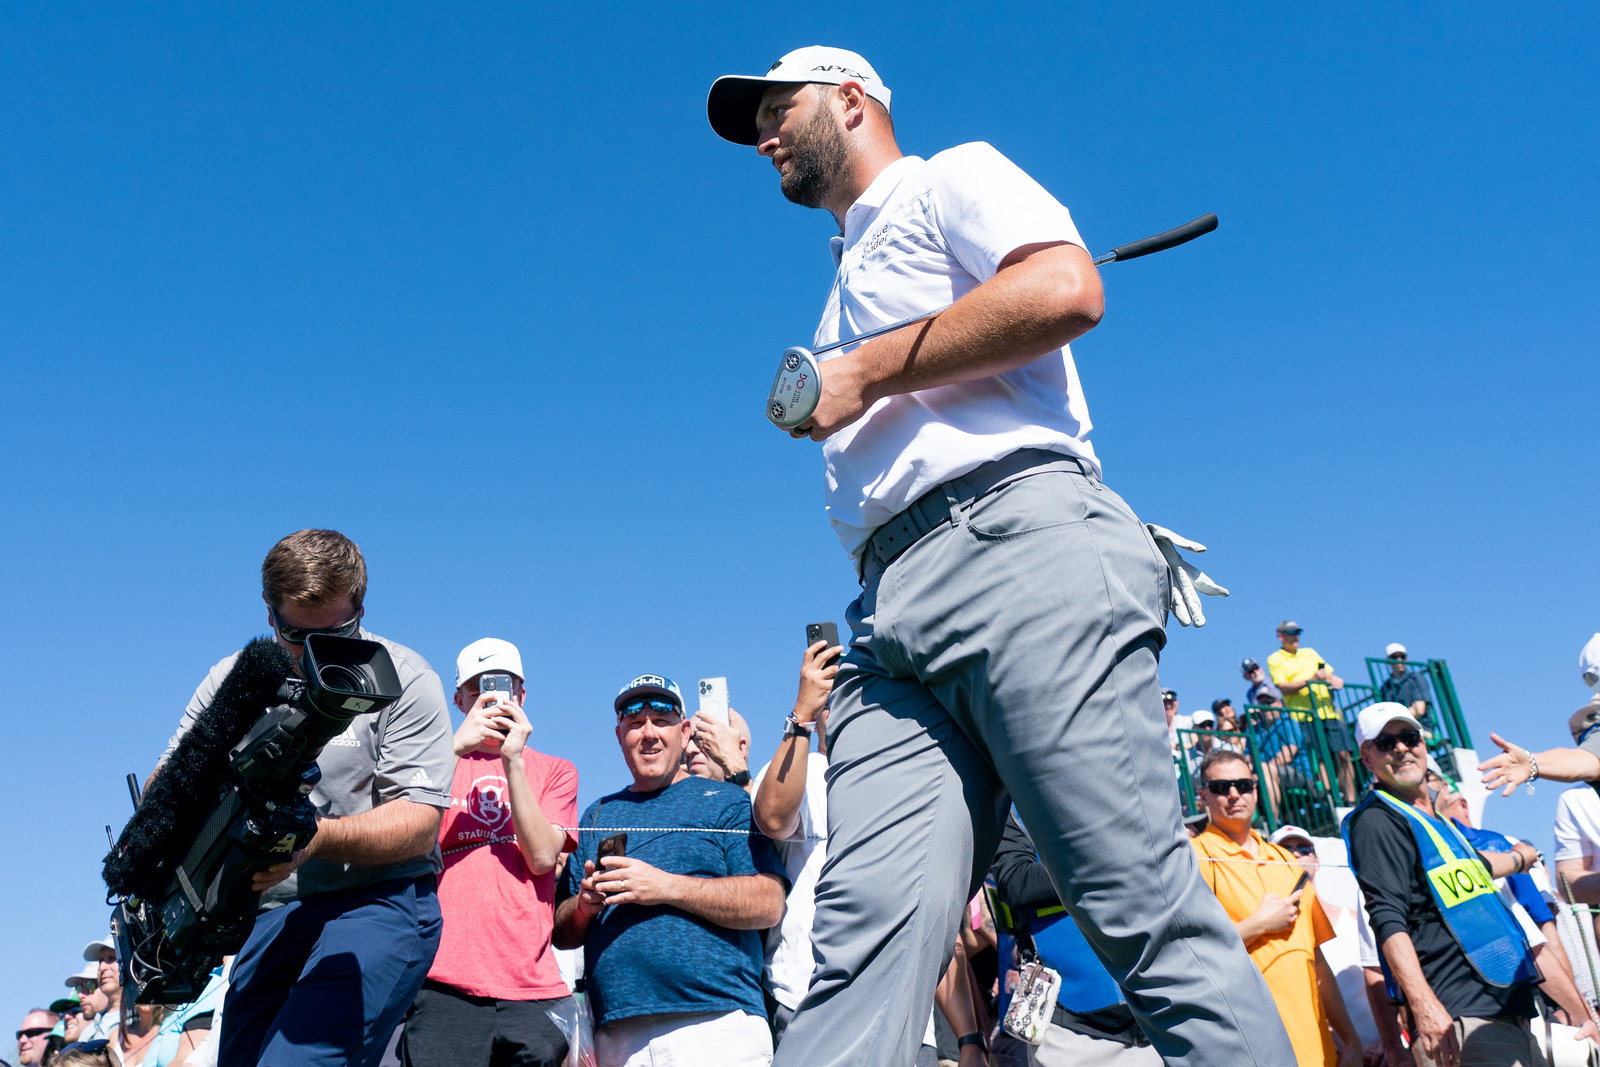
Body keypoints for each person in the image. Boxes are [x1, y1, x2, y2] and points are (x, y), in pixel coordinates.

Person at [706, 44, 1293, 1066]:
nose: (759, 131)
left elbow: (1065, 287)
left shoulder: (948, 178)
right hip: (888, 613)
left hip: (1014, 542)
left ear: (850, 101)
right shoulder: (840, 282)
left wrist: (863, 372)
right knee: (867, 929)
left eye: (775, 106)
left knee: (1133, 902)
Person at [155, 529, 455, 1067]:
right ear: (270, 615)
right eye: (297, 635)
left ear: (360, 608)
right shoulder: (232, 680)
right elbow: (165, 786)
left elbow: (417, 823)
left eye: (338, 632)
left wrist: (313, 837)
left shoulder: (404, 677)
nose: (316, 653)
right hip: (274, 912)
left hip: (379, 899)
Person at [553, 674, 787, 1067]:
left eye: (660, 721)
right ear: (618, 736)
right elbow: (561, 932)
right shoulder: (597, 814)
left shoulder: (725, 800)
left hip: (717, 1026)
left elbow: (768, 902)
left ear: (684, 732)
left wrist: (665, 887)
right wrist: (583, 906)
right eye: (635, 723)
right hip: (618, 1038)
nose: (648, 734)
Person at [1347, 703, 1568, 1066]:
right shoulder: (1377, 822)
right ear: (1367, 757)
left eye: (1409, 737)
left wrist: (1520, 858)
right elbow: (1387, 918)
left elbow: (1474, 868)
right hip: (1458, 1018)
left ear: (1423, 744)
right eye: (1386, 743)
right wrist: (1423, 1005)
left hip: (1501, 1012)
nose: (1402, 748)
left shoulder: (1435, 823)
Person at [399, 638, 578, 1067]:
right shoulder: (434, 764)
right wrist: (453, 747)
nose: (494, 700)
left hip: (531, 989)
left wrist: (513, 761)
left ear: (523, 694)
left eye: (505, 687)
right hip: (443, 983)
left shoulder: (556, 770)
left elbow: (540, 859)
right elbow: (404, 843)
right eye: (479, 689)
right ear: (459, 699)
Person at [1190, 751, 1362, 1066]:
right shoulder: (1194, 859)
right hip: (1248, 1047)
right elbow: (1189, 956)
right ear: (1202, 795)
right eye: (1220, 787)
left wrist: (1350, 1038)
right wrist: (1259, 925)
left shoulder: (1285, 860)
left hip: (1317, 1049)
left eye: (1242, 784)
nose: (1233, 794)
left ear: (1255, 789)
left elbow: (1317, 962)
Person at [989, 812, 1161, 1064]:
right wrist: (1115, 862)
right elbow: (1019, 884)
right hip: (1071, 1028)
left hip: (1154, 1012)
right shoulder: (1010, 808)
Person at [1268, 621, 1355, 802]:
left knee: (1343, 755)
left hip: (1328, 713)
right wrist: (1311, 680)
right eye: (1291, 632)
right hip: (1303, 718)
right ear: (1281, 636)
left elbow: (1327, 673)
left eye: (1297, 632)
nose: (1295, 636)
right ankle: (1332, 801)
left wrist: (1334, 679)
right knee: (1321, 761)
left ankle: (1351, 801)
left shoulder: (1310, 653)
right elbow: (1282, 686)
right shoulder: (1275, 659)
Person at [686, 707, 754, 790]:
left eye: (701, 739)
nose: (689, 750)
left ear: (739, 749)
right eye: (686, 741)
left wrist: (738, 772)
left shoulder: (768, 799)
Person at [1378, 643, 1431, 723]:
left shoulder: (1415, 679)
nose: (1399, 660)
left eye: (1402, 657)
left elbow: (1419, 709)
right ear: (1388, 661)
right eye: (1394, 657)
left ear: (1406, 659)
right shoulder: (1385, 688)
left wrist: (1395, 721)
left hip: (1420, 727)